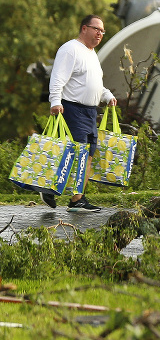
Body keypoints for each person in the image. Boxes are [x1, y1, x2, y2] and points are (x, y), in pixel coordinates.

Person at [45, 14, 117, 212]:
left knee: (88, 154)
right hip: (73, 108)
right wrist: (55, 101)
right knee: (74, 152)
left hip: (91, 111)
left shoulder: (92, 53)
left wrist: (107, 95)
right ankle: (48, 187)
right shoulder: (70, 49)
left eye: (102, 31)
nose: (100, 34)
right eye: (96, 29)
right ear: (84, 28)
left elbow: (94, 84)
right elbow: (58, 78)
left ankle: (77, 199)